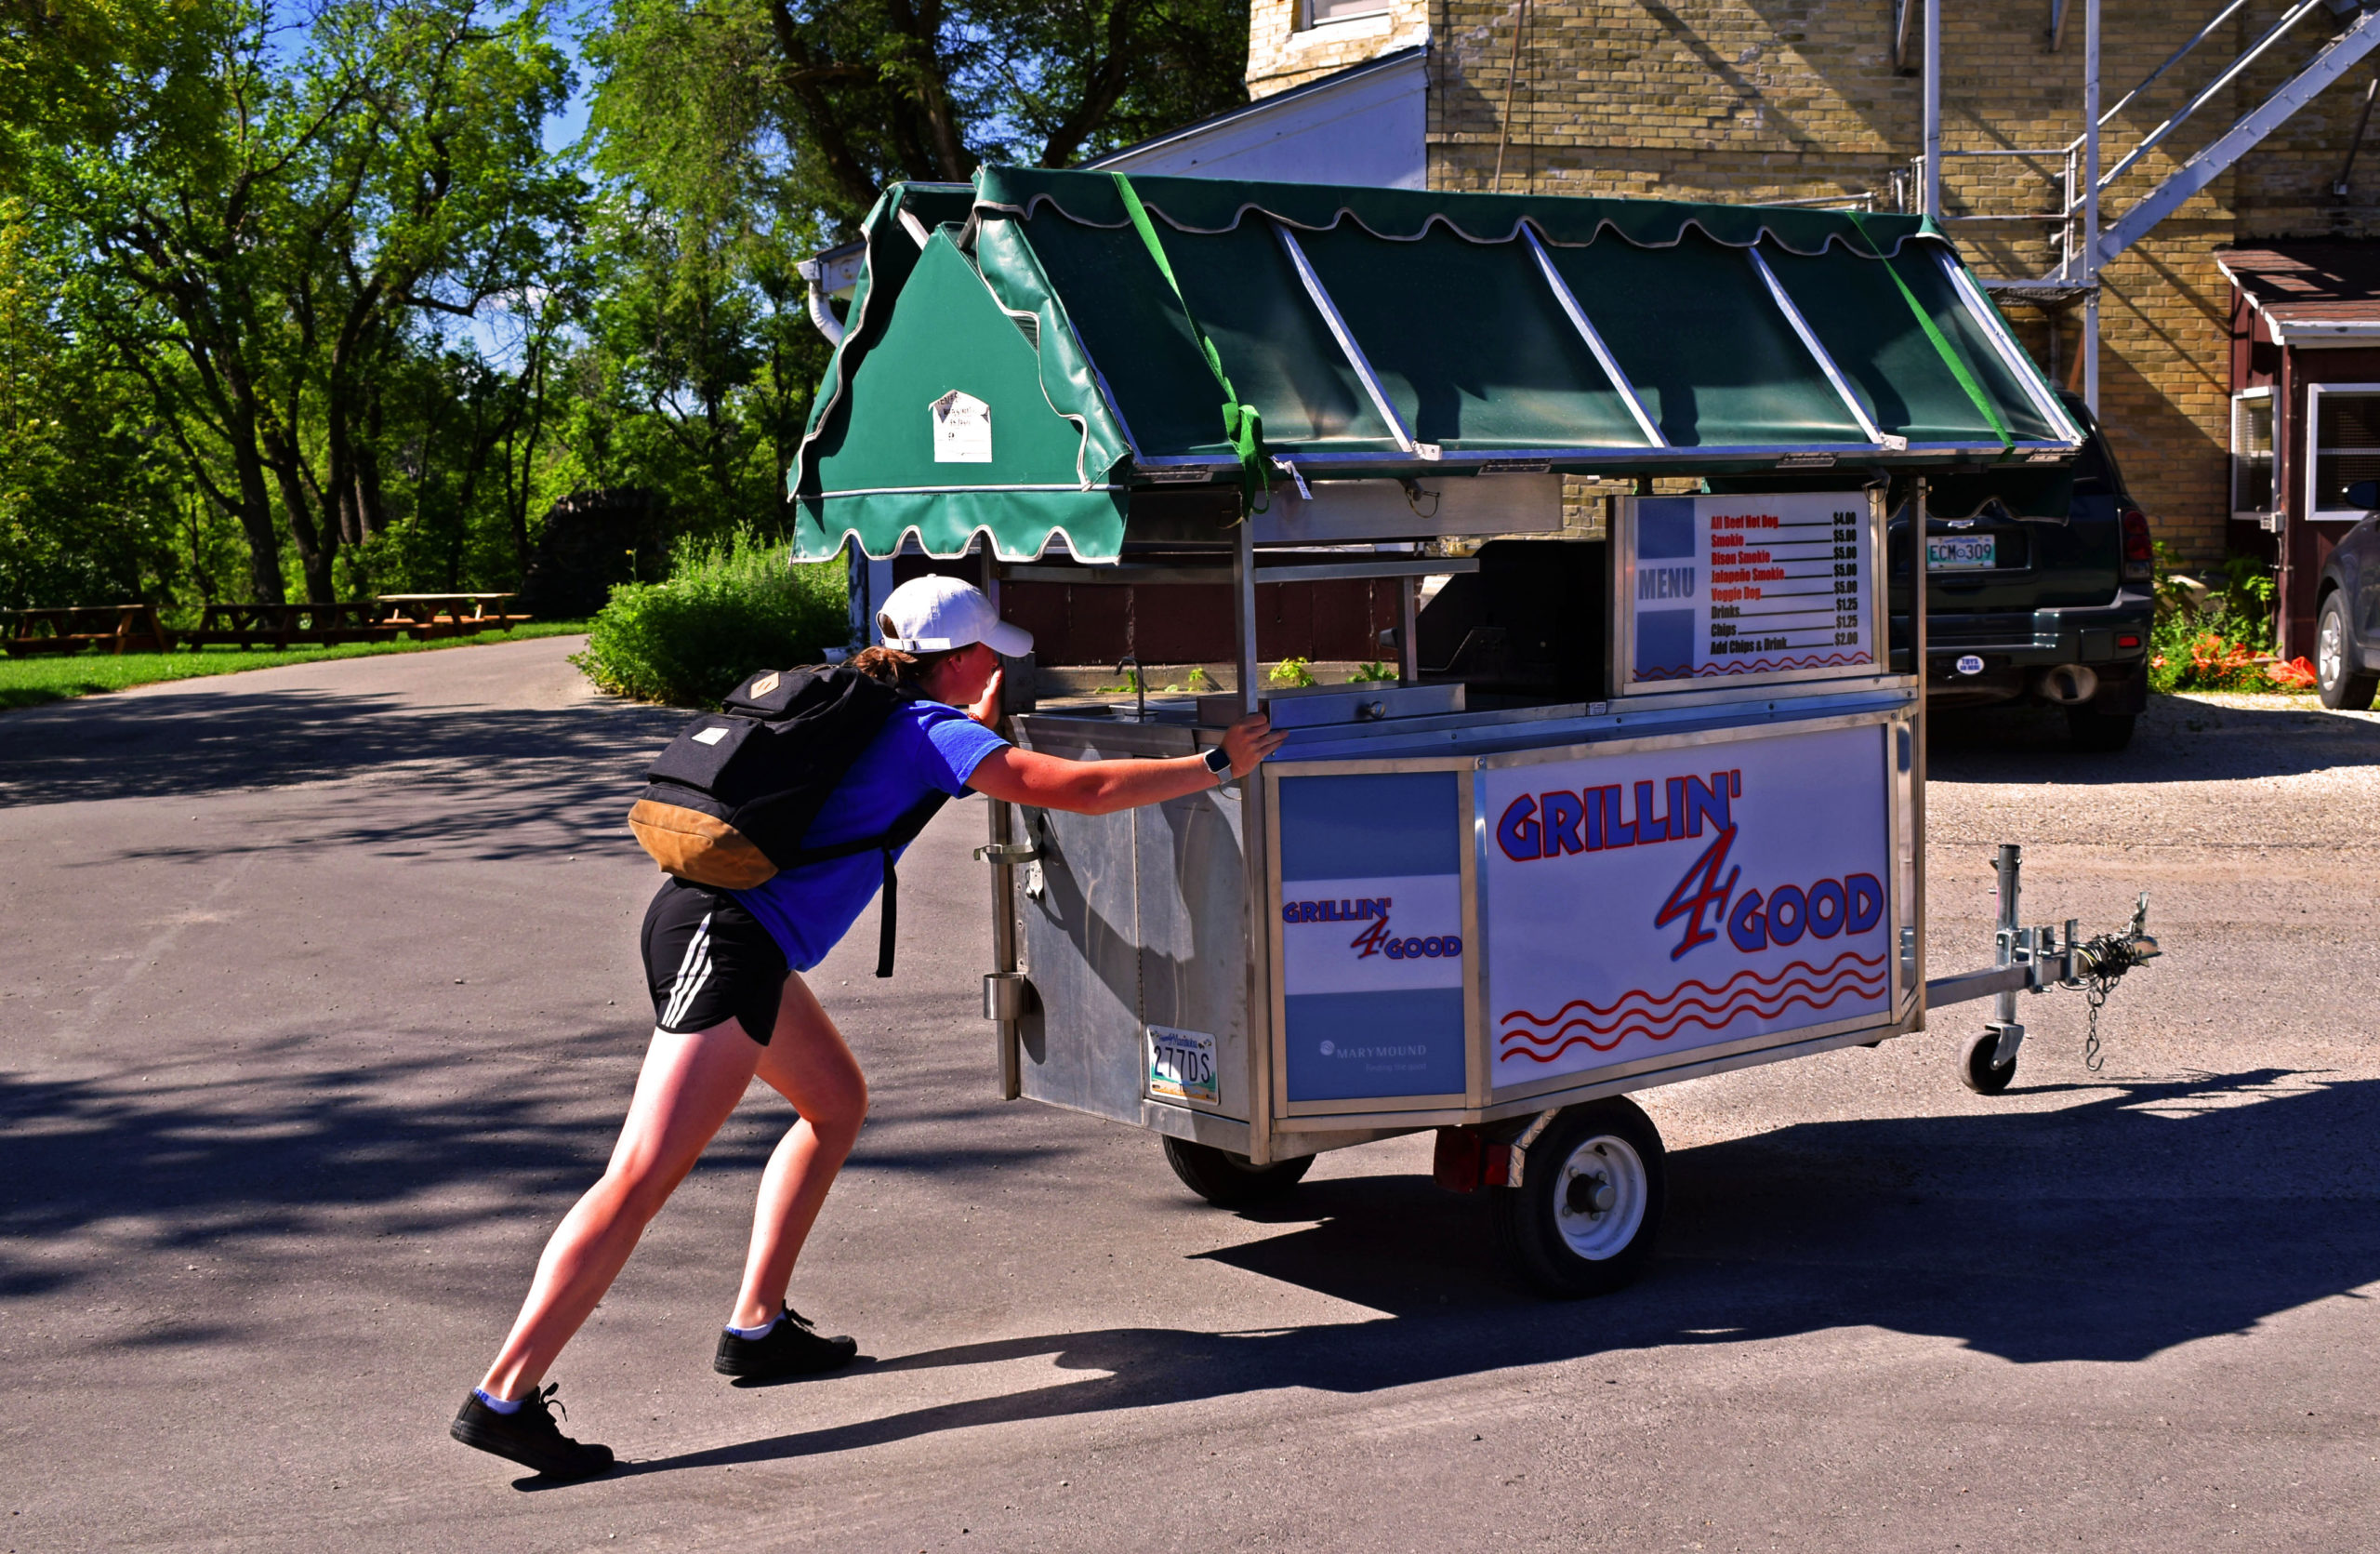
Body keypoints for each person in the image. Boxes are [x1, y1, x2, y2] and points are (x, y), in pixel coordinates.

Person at [451, 574, 1287, 1480]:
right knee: (639, 1176)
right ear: (963, 660)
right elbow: (1070, 791)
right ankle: (504, 1395)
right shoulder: (930, 732)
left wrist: (975, 716)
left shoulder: (870, 708)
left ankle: (759, 1327)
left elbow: (939, 760)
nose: (990, 671)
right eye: (985, 658)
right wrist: (1214, 766)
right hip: (725, 942)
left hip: (730, 932)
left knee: (835, 1104)